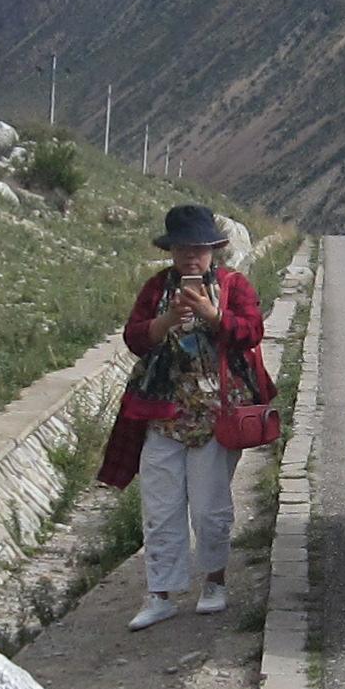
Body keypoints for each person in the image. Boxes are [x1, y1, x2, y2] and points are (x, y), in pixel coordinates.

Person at [97, 203, 271, 630]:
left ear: (213, 250)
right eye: (182, 249)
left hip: (216, 416)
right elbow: (135, 338)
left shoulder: (233, 286)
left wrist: (213, 316)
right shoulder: (157, 289)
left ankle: (214, 581)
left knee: (210, 508)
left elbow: (252, 330)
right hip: (163, 414)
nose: (191, 256)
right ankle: (161, 593)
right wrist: (168, 320)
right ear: (171, 251)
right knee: (160, 508)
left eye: (199, 248)